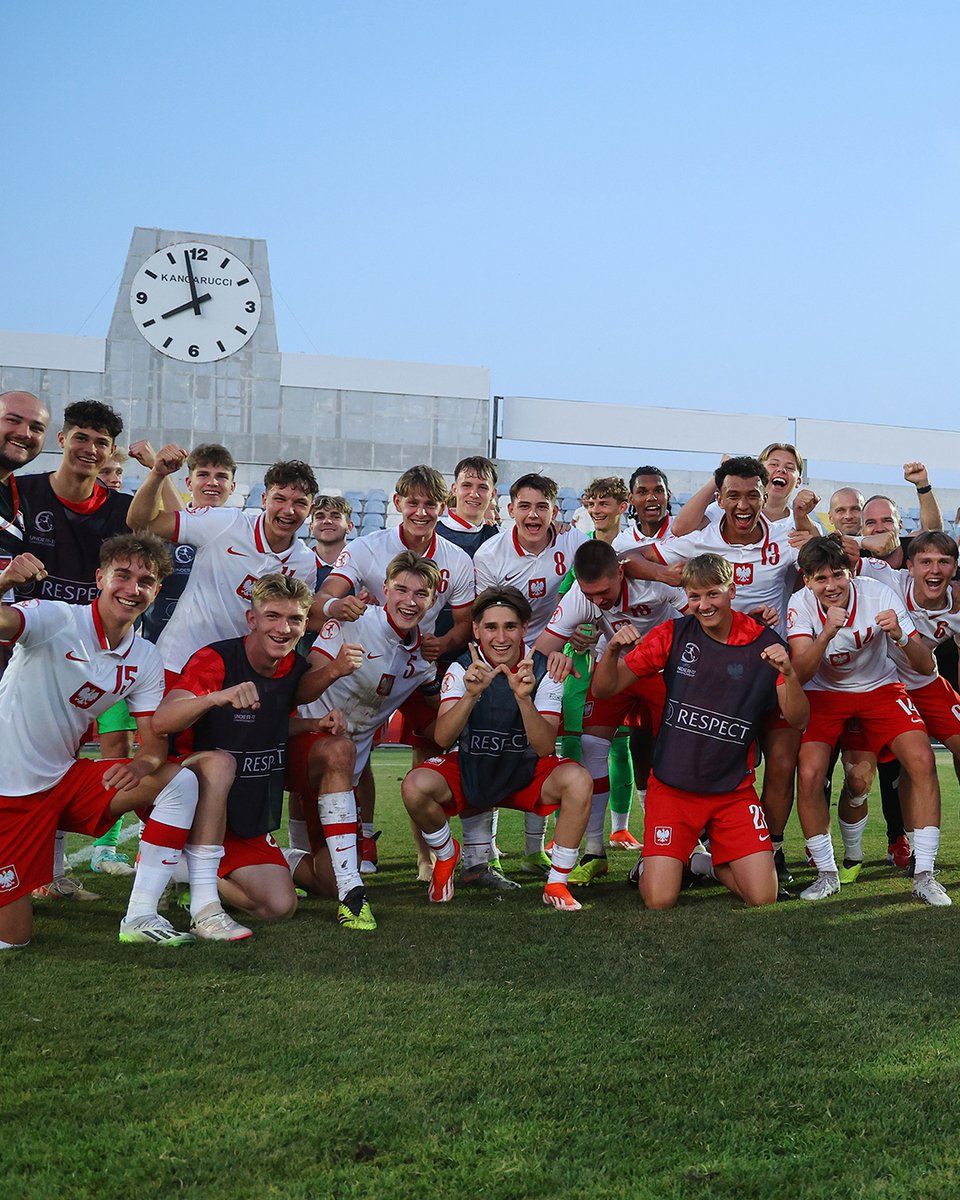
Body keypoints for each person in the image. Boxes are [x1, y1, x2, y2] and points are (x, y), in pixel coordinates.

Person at [0, 535, 201, 949]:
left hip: (64, 781)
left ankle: (141, 915)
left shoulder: (144, 657)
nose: (132, 589)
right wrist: (3, 583)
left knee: (179, 781)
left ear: (157, 590)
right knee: (14, 938)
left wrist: (141, 765)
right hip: (9, 790)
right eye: (122, 575)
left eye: (145, 581)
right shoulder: (56, 619)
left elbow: (152, 745)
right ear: (100, 578)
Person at [591, 554, 809, 909]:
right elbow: (604, 690)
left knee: (762, 897)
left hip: (732, 791)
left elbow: (798, 719)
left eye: (712, 595)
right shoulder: (673, 634)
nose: (703, 605)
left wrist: (788, 674)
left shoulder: (765, 645)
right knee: (659, 900)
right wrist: (612, 649)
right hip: (673, 787)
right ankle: (666, 859)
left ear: (732, 591)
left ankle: (699, 862)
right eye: (695, 597)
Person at [623, 455, 802, 886]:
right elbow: (627, 559)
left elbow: (828, 562)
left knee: (781, 761)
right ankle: (683, 852)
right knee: (697, 760)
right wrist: (670, 577)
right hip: (711, 675)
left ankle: (770, 851)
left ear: (767, 495)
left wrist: (818, 529)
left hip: (768, 665)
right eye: (733, 495)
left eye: (752, 495)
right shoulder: (698, 539)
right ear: (718, 498)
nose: (743, 505)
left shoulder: (785, 536)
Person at [152, 575, 357, 937]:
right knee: (220, 763)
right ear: (252, 620)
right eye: (272, 616)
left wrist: (313, 725)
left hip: (243, 812)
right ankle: (187, 873)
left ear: (305, 624)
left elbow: (263, 722)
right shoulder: (215, 659)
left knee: (279, 907)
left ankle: (181, 868)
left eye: (294, 619)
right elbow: (162, 720)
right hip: (195, 805)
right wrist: (216, 697)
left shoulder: (293, 665)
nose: (283, 628)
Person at [312, 465, 475, 876]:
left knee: (436, 745)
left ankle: (431, 856)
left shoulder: (456, 558)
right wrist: (339, 606)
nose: (421, 512)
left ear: (445, 506)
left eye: (431, 504)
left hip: (417, 664)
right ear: (398, 503)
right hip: (365, 657)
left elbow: (464, 625)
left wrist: (445, 644)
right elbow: (324, 599)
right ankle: (360, 839)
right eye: (413, 502)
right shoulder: (368, 547)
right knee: (350, 741)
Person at [401, 586, 592, 912]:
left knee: (578, 779)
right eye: (491, 627)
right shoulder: (463, 668)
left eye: (510, 626)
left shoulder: (546, 669)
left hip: (525, 770)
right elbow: (444, 738)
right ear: (476, 630)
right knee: (415, 785)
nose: (500, 637)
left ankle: (557, 883)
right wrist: (471, 695)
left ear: (524, 627)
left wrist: (522, 698)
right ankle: (447, 856)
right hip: (473, 767)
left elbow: (545, 746)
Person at [786, 536, 948, 905]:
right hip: (823, 692)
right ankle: (827, 874)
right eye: (820, 578)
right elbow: (799, 671)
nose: (831, 586)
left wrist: (900, 637)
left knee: (922, 760)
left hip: (880, 686)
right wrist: (826, 632)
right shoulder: (800, 604)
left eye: (838, 575)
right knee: (810, 772)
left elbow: (927, 666)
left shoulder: (877, 594)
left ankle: (925, 873)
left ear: (851, 573)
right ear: (807, 580)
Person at [17, 401, 138, 893]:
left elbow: (176, 521)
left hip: (85, 658)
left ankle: (53, 870)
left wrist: (157, 472)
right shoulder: (21, 491)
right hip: (20, 649)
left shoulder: (119, 509)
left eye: (101, 442)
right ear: (62, 439)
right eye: (82, 437)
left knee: (63, 760)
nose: (90, 449)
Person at [287, 552, 443, 929]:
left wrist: (462, 691)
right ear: (384, 590)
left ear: (433, 600)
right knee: (338, 749)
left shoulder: (423, 661)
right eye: (401, 589)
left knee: (325, 878)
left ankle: (276, 857)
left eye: (421, 594)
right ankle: (353, 896)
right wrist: (335, 670)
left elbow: (435, 729)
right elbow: (299, 692)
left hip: (344, 775)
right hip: (298, 748)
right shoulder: (351, 624)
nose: (409, 600)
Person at [536, 536, 687, 880]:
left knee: (673, 751)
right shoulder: (582, 596)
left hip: (662, 669)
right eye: (590, 595)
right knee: (591, 745)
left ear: (621, 574)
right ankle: (594, 852)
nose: (597, 601)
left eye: (603, 592)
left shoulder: (654, 583)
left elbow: (697, 611)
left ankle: (679, 844)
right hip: (613, 666)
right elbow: (544, 647)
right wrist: (560, 650)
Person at [473, 473, 588, 874]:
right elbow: (486, 616)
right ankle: (483, 849)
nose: (533, 514)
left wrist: (585, 630)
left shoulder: (574, 543)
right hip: (505, 653)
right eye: (525, 506)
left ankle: (533, 848)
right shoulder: (490, 555)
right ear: (510, 511)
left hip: (554, 654)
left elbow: (595, 587)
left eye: (542, 506)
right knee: (494, 742)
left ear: (555, 511)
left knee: (545, 746)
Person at [128, 448, 318, 681]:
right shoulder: (225, 523)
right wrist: (157, 474)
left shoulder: (305, 562)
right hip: (181, 663)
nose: (288, 511)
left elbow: (300, 617)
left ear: (310, 509)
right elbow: (140, 523)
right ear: (264, 499)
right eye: (279, 499)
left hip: (239, 676)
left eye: (300, 503)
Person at [140, 442, 237, 644]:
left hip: (217, 651)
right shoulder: (163, 528)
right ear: (188, 483)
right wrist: (157, 470)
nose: (212, 482)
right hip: (160, 645)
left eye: (221, 476)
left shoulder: (243, 533)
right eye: (203, 475)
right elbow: (141, 523)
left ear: (232, 486)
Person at [436, 456, 500, 556]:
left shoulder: (499, 539)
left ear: (493, 493)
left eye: (482, 487)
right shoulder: (432, 534)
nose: (474, 494)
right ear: (454, 489)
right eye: (466, 485)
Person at [612, 465, 673, 552]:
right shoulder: (621, 543)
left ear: (668, 496)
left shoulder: (684, 532)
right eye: (642, 492)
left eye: (658, 491)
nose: (651, 498)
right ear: (631, 499)